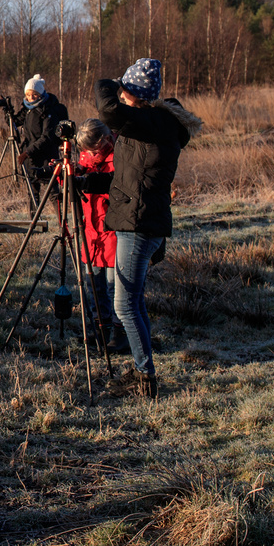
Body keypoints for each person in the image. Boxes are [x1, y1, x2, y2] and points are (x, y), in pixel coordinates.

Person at [94, 58, 203, 398]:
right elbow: (128, 177)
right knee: (133, 300)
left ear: (134, 94)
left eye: (126, 91)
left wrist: (114, 83)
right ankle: (143, 370)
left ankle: (145, 377)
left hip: (139, 224)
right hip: (140, 219)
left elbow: (107, 105)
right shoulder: (154, 124)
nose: (121, 96)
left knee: (123, 304)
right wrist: (88, 183)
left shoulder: (152, 123)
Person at [72, 118, 126, 350]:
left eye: (91, 149)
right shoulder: (85, 159)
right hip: (91, 231)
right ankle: (100, 330)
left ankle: (120, 334)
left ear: (104, 141)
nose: (88, 154)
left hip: (112, 230)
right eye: (85, 150)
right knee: (93, 285)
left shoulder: (119, 159)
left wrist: (88, 182)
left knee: (116, 287)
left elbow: (117, 190)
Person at [15, 74, 68, 203]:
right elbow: (15, 122)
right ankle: (34, 221)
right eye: (28, 95)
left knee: (53, 192)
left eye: (34, 95)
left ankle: (61, 222)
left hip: (46, 157)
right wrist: (7, 110)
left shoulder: (48, 110)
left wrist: (27, 152)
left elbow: (47, 137)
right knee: (33, 193)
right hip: (31, 159)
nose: (31, 98)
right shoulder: (27, 110)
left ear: (40, 94)